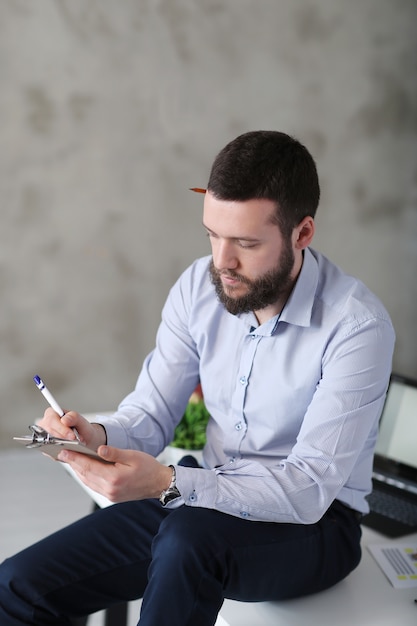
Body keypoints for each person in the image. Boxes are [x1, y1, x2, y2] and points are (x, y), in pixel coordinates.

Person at [0, 131, 395, 626]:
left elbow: (308, 488)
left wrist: (169, 481)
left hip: (314, 525)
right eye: (213, 234)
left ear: (303, 233)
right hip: (198, 496)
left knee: (187, 542)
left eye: (246, 243)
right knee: (16, 586)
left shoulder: (358, 326)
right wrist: (94, 436)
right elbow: (150, 416)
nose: (222, 262)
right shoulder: (197, 287)